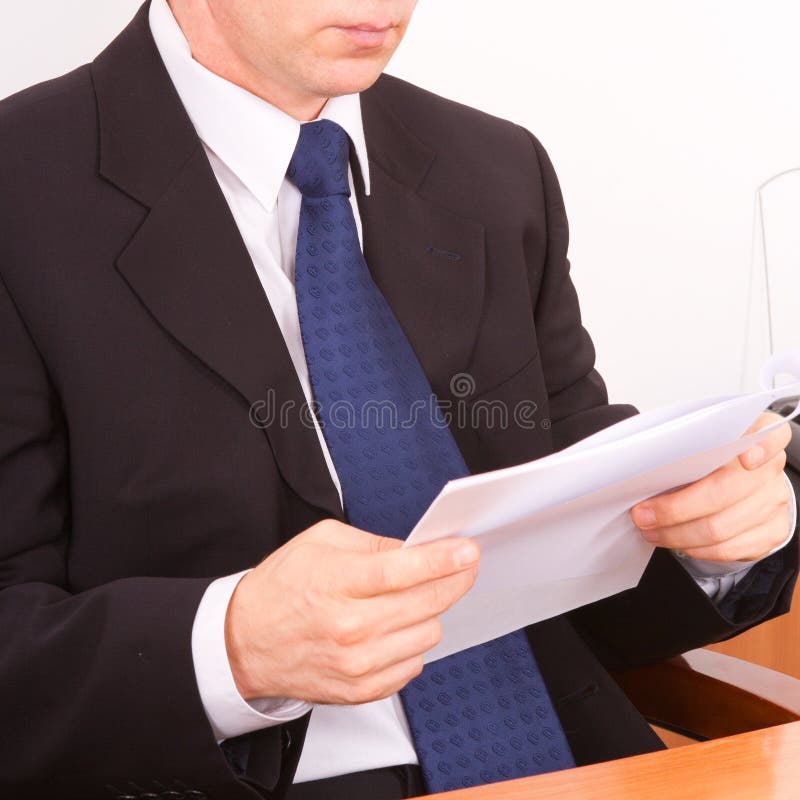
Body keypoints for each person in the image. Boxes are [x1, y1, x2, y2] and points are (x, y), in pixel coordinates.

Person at [0, 1, 797, 799]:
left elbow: (587, 568)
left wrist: (708, 538)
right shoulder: (22, 187)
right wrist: (227, 650)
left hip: (566, 758)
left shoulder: (495, 165)